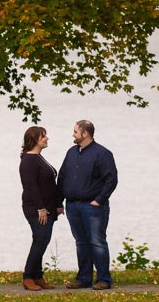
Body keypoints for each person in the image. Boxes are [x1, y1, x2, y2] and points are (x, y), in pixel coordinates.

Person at [57, 120, 118, 290]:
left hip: (93, 207)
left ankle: (104, 279)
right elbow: (62, 177)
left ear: (85, 134)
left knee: (97, 242)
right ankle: (84, 278)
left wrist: (99, 200)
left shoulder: (102, 153)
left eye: (75, 132)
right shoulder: (71, 152)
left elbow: (111, 179)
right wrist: (59, 201)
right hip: (72, 206)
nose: (73, 134)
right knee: (81, 242)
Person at [19, 126, 62, 291]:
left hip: (47, 208)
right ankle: (28, 277)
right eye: (43, 136)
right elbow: (30, 187)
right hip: (36, 209)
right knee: (40, 241)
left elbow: (48, 184)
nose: (47, 138)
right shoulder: (29, 160)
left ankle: (38, 276)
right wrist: (41, 208)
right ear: (35, 139)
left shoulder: (38, 157)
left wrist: (57, 204)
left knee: (42, 241)